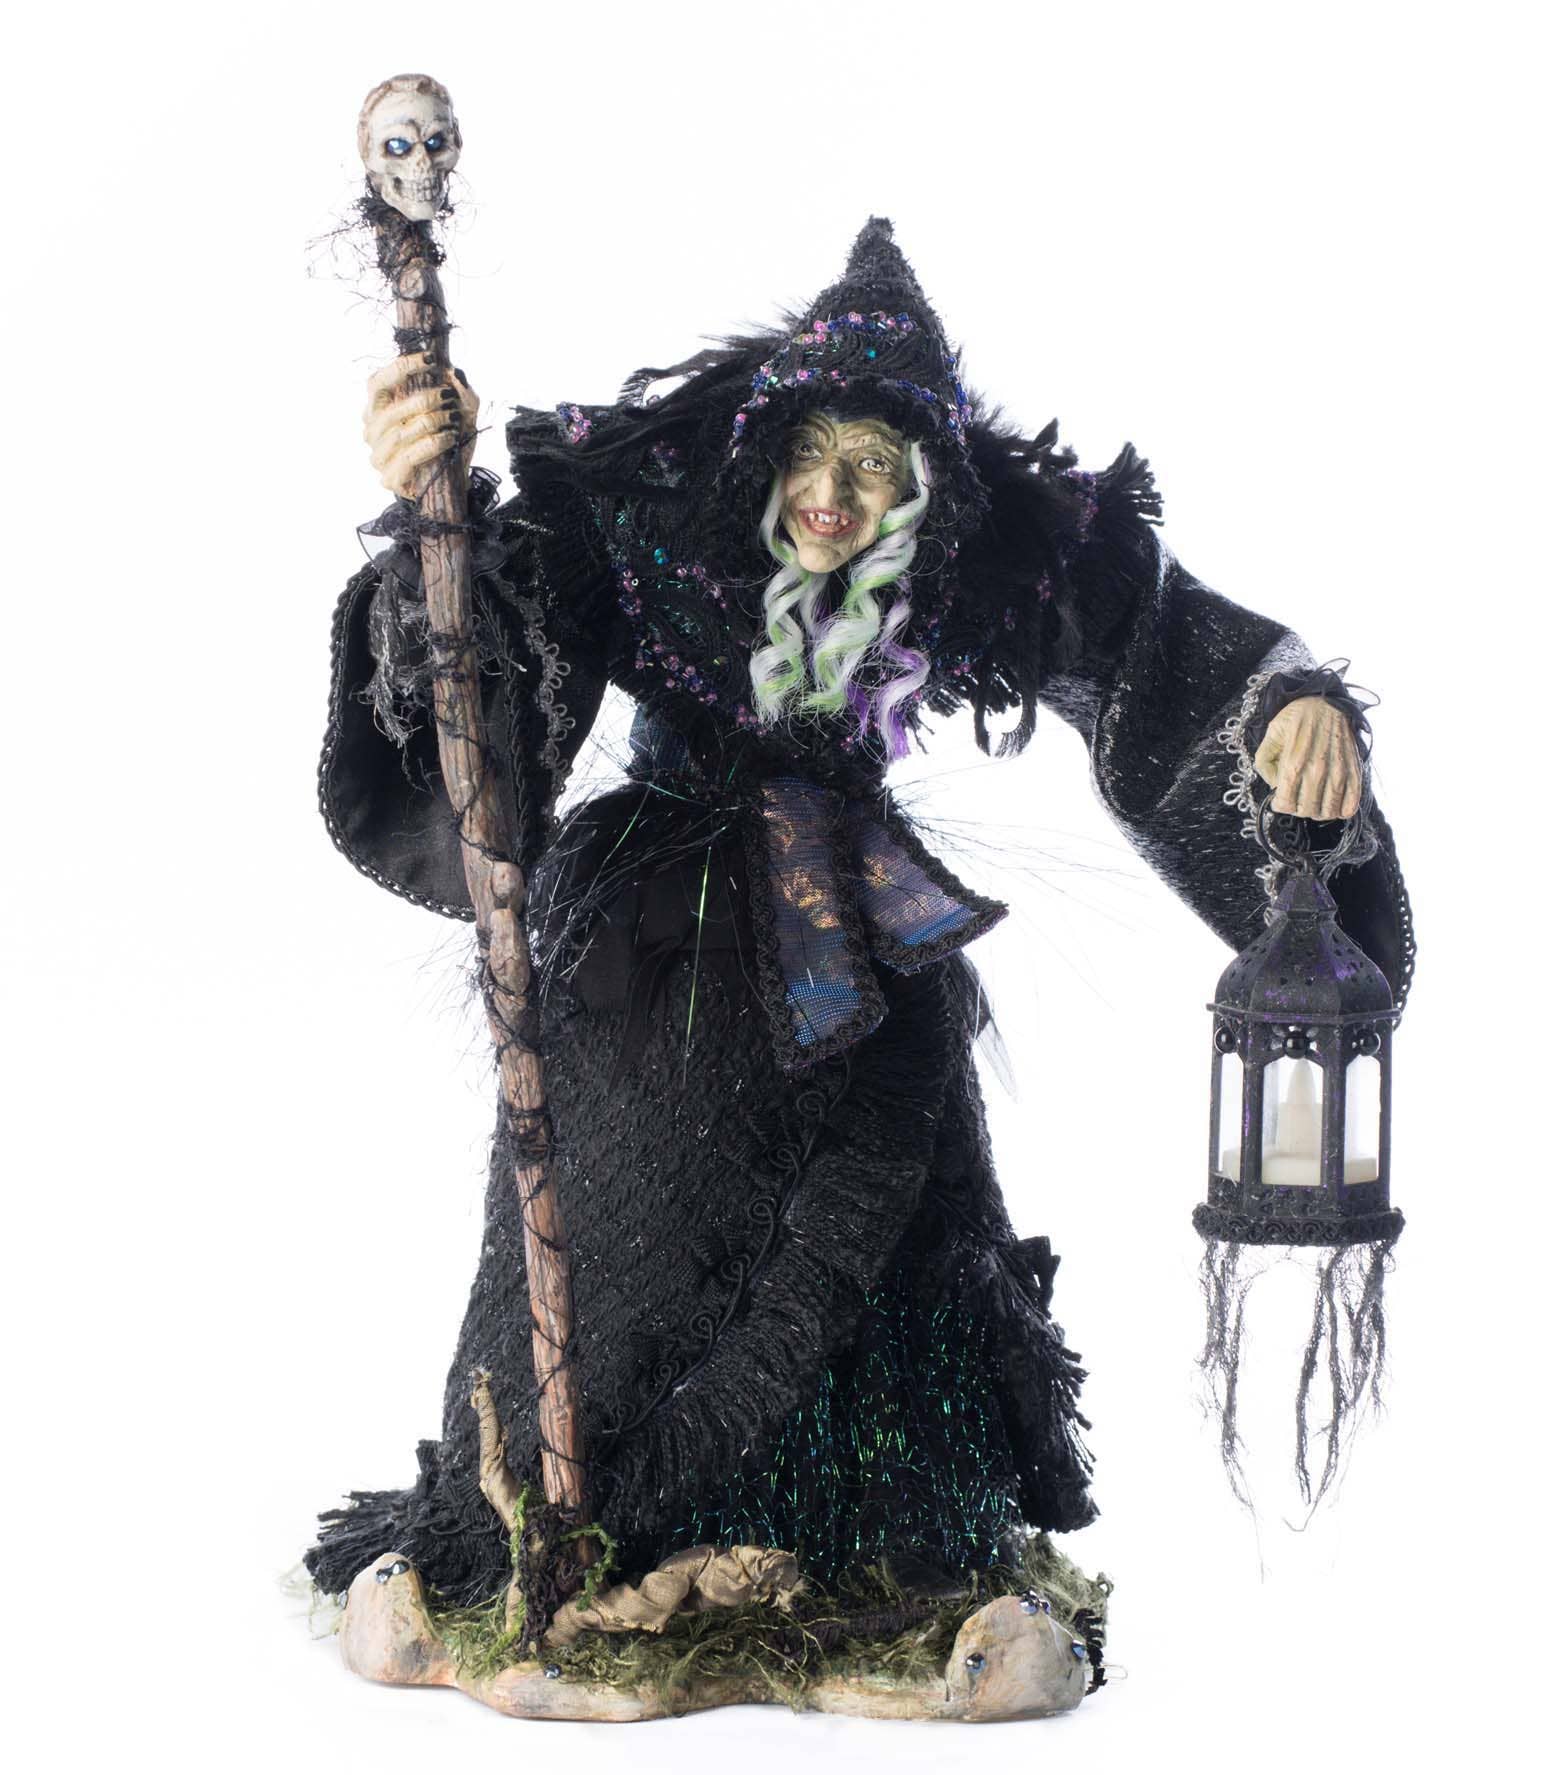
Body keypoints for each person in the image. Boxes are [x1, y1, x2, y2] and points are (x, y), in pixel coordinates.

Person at [308, 219, 1411, 1610]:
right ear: (766, 451)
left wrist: (1291, 705)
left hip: (867, 935)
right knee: (627, 1207)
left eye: (876, 467)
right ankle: (572, 1529)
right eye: (814, 455)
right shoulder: (646, 520)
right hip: (651, 948)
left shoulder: (980, 563)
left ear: (926, 488)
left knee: (898, 1221)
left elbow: (1155, 636)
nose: (833, 495)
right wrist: (437, 509)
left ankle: (867, 1553)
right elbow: (493, 635)